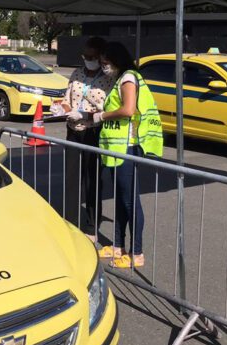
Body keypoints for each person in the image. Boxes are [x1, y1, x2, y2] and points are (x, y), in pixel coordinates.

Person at [91, 42, 163, 269]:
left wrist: (102, 116)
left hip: (127, 148)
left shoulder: (129, 79)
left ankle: (137, 252)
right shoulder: (122, 79)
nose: (104, 67)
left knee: (130, 201)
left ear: (117, 60)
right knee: (122, 200)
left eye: (106, 63)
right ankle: (118, 246)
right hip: (116, 149)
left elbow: (128, 110)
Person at [62, 37, 112, 242]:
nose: (88, 60)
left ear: (100, 56)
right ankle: (70, 223)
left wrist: (85, 115)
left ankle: (91, 227)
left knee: (92, 181)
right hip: (73, 130)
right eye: (85, 56)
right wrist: (66, 110)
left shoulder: (109, 78)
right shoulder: (77, 73)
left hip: (93, 132)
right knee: (72, 179)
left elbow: (109, 109)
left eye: (92, 57)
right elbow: (66, 98)